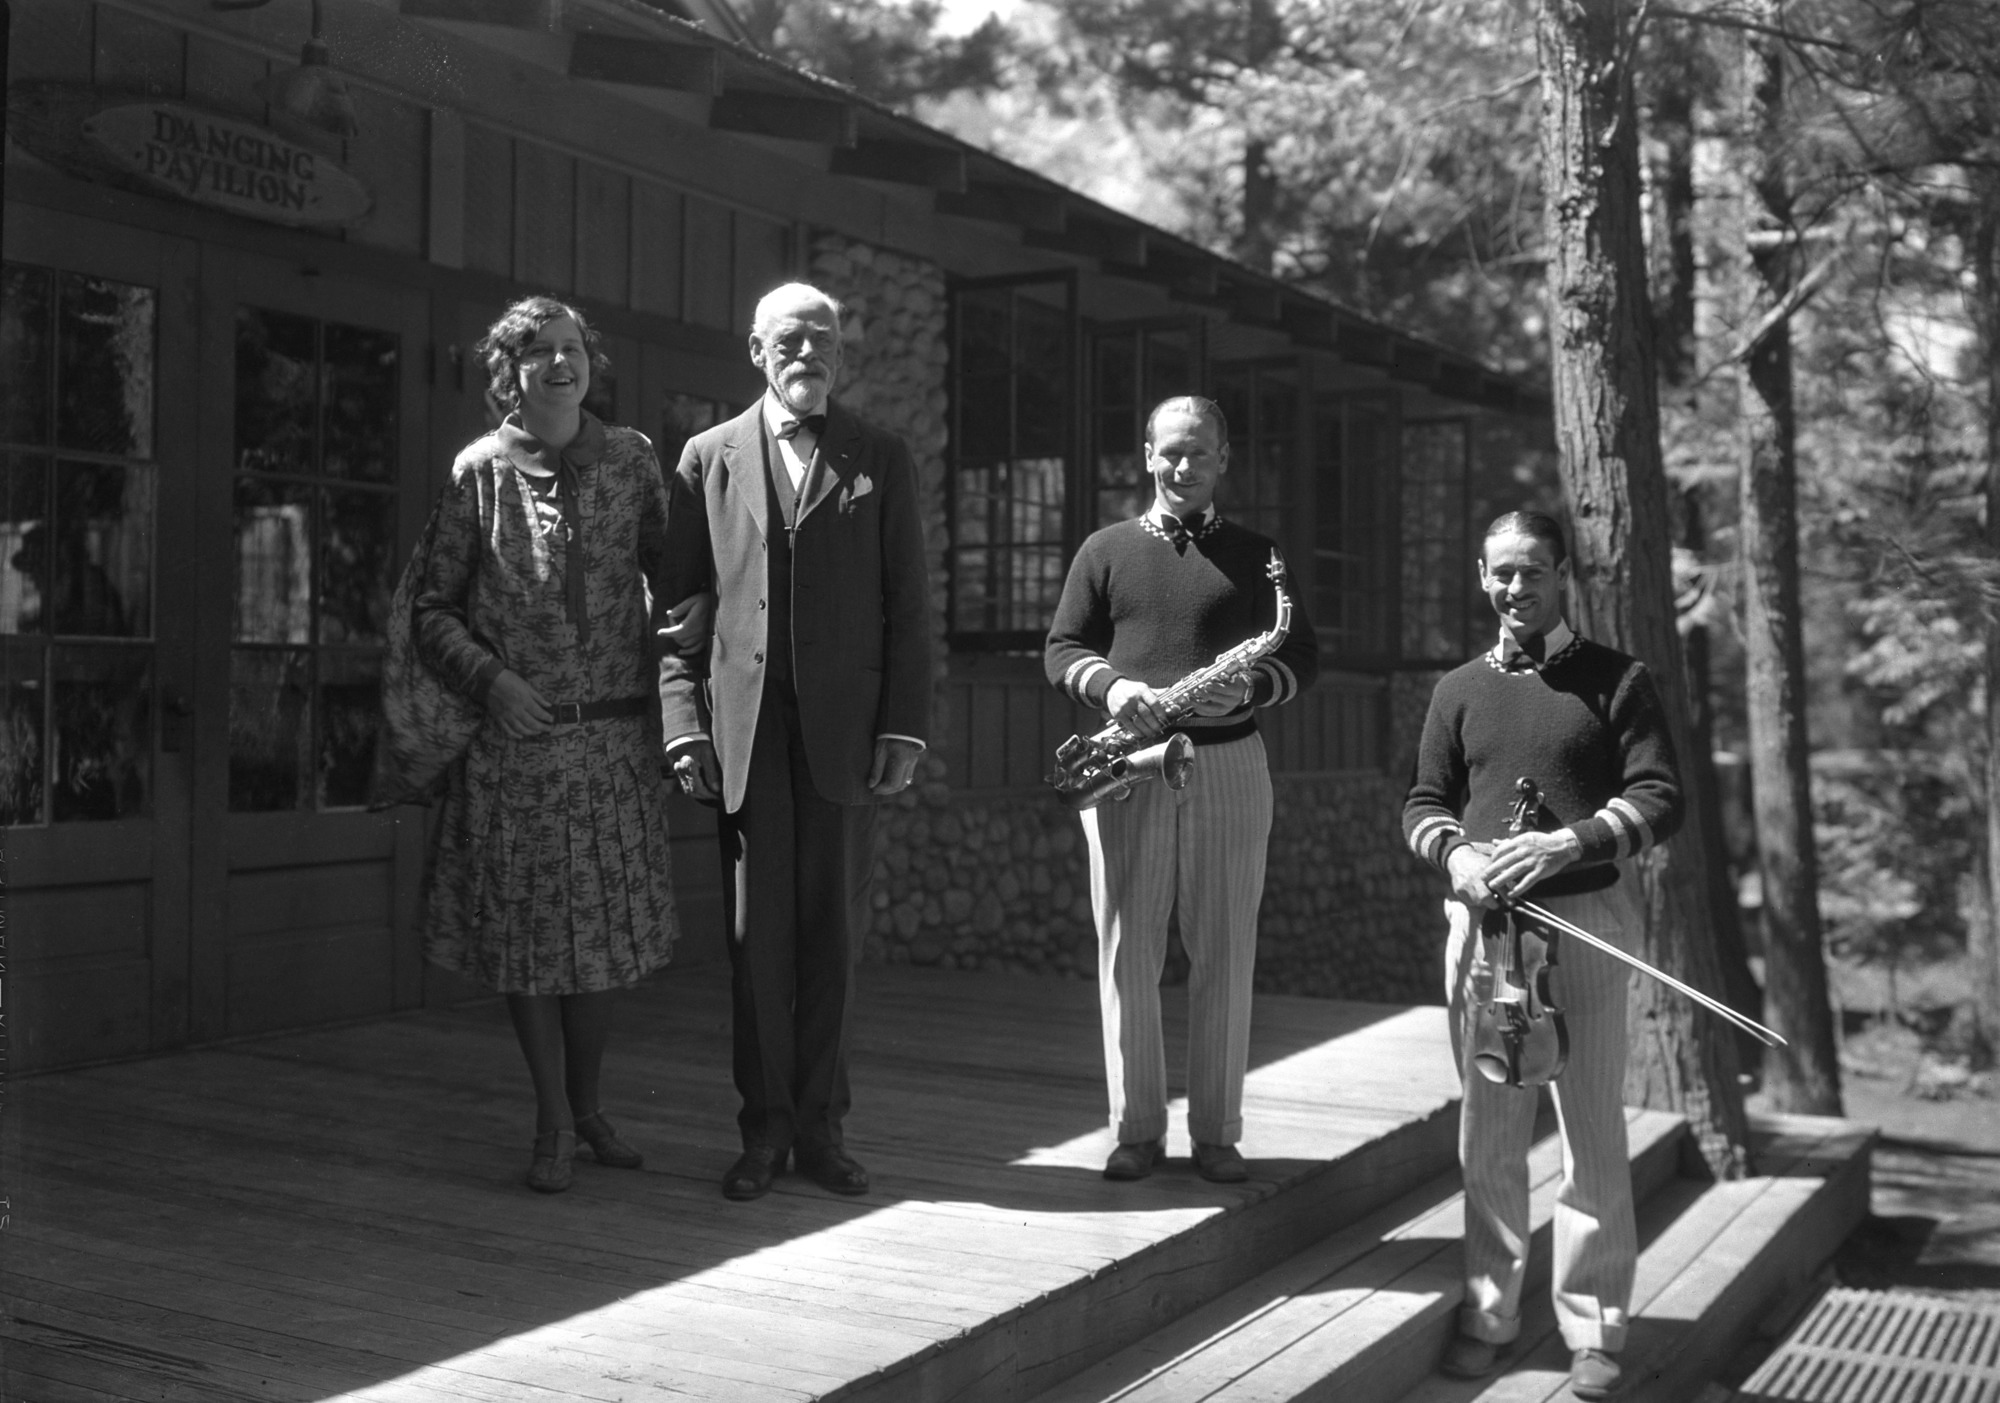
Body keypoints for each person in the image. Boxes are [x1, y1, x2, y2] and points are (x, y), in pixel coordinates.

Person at [404, 295, 707, 1195]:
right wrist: (492, 682)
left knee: (603, 942)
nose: (560, 363)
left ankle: (588, 1106)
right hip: (519, 753)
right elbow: (430, 609)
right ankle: (550, 1120)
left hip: (613, 746)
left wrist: (686, 608)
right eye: (539, 351)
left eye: (572, 349)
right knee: (532, 943)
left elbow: (670, 572)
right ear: (511, 370)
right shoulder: (479, 474)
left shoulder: (632, 460)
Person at [1401, 509, 1685, 1401]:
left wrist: (1571, 844)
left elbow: (1661, 795)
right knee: (1489, 1133)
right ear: (1481, 577)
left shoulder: (1617, 679)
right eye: (1498, 573)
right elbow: (1422, 804)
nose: (1513, 588)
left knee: (1592, 1130)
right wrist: (1458, 856)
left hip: (1589, 920)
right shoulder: (1457, 688)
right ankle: (1489, 1309)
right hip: (1484, 935)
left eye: (1529, 571)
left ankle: (1595, 1325)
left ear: (1562, 573)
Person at [660, 282, 933, 1203]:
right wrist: (683, 723)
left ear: (840, 354)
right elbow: (678, 617)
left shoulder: (881, 457)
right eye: (790, 338)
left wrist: (902, 724)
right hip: (742, 739)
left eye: (823, 338)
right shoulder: (707, 458)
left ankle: (822, 1129)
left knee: (833, 941)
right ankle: (764, 1130)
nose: (808, 352)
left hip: (845, 739)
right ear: (755, 350)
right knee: (755, 941)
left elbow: (908, 605)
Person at [1044, 395, 1317, 1185]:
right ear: (1146, 454)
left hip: (1230, 761)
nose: (1183, 466)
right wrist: (1110, 687)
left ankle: (1217, 1131)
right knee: (1128, 950)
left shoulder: (1260, 553)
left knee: (1225, 949)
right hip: (1132, 761)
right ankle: (1135, 1129)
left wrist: (1257, 687)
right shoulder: (1105, 548)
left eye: (1199, 452)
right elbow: (1063, 647)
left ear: (1223, 459)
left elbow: (1304, 652)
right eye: (1169, 452)